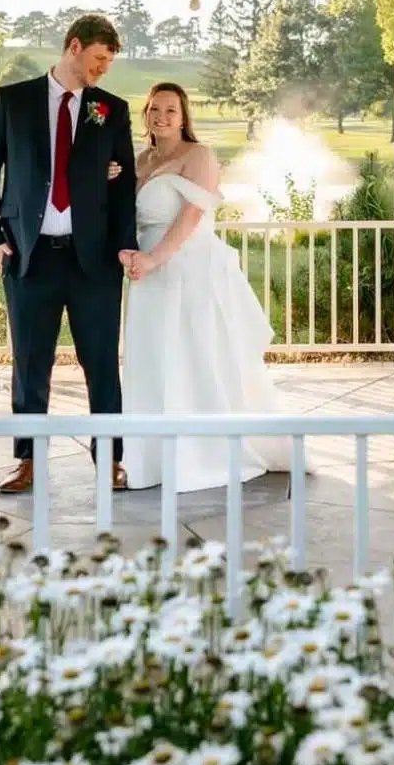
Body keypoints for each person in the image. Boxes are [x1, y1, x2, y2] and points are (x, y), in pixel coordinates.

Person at [0, 14, 138, 495]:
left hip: (95, 263)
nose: (103, 69)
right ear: (73, 47)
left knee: (103, 364)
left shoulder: (111, 109)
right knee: (30, 364)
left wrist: (124, 244)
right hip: (30, 258)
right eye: (98, 59)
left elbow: (124, 182)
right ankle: (27, 460)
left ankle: (109, 460)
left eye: (108, 61)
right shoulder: (14, 101)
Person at [120, 81, 300, 494]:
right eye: (154, 109)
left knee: (194, 355)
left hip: (187, 268)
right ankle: (151, 458)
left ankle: (202, 455)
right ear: (145, 115)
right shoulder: (140, 160)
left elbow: (190, 218)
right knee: (152, 358)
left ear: (183, 118)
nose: (161, 117)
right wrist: (130, 252)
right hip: (146, 273)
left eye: (171, 110)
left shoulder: (198, 156)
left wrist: (153, 258)